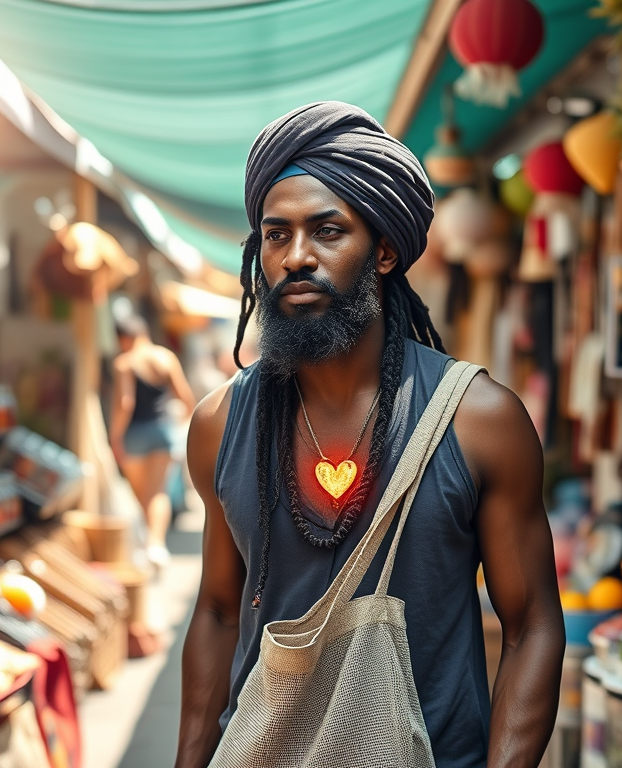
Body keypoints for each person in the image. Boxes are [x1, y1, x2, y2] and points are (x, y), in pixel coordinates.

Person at [178, 102, 564, 768]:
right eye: (277, 235)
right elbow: (216, 612)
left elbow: (531, 626)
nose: (297, 256)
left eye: (328, 230)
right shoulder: (220, 425)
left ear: (384, 249)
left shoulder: (478, 421)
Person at [110, 315, 196, 568]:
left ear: (124, 338)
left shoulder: (124, 363)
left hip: (135, 435)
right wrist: (180, 424)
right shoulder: (165, 357)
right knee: (158, 492)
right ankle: (155, 545)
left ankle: (143, 546)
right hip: (164, 431)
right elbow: (186, 398)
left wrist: (115, 437)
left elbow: (125, 404)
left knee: (141, 495)